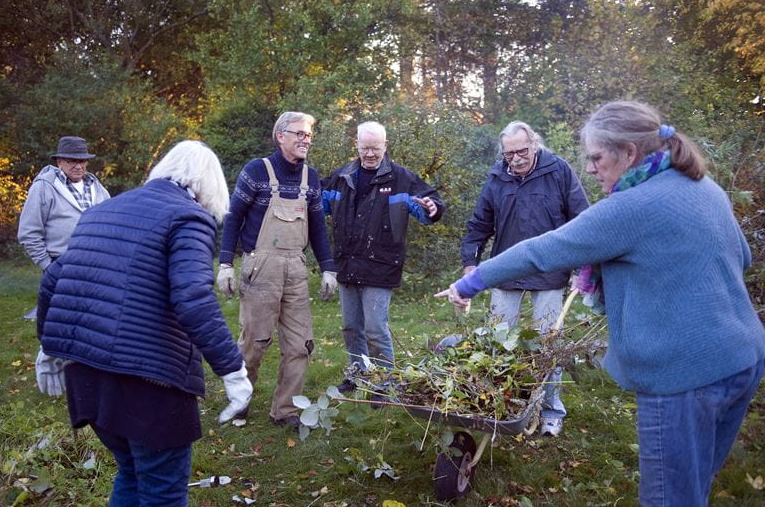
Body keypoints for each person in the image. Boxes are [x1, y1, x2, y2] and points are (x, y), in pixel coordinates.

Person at [437, 101, 765, 506]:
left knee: (671, 499)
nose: (590, 169)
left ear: (628, 152)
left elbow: (541, 252)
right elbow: (743, 256)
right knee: (693, 487)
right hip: (742, 359)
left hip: (684, 377)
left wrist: (472, 282)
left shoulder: (630, 207)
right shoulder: (703, 186)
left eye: (596, 157)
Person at [35, 140, 253, 506]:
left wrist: (49, 346)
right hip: (147, 386)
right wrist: (233, 371)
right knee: (163, 490)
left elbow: (54, 280)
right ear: (207, 184)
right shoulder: (189, 216)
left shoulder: (105, 210)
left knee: (134, 474)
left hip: (88, 377)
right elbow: (194, 299)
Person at [460, 121, 589, 436]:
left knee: (548, 345)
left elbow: (582, 219)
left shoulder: (558, 171)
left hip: (551, 271)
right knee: (497, 343)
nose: (515, 159)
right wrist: (470, 264)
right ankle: (498, 402)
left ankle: (551, 411)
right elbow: (480, 223)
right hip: (506, 271)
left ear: (534, 143)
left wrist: (582, 268)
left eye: (521, 151)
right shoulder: (497, 177)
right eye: (509, 154)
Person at [215, 111, 337, 429]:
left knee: (300, 345)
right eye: (298, 133)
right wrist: (226, 263)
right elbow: (233, 218)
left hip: (296, 266)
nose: (304, 139)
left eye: (308, 135)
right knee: (255, 342)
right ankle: (240, 401)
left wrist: (328, 269)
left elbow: (318, 229)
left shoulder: (312, 178)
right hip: (261, 265)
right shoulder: (256, 171)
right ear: (280, 136)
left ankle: (285, 411)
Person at [322, 121, 445, 392]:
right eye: (365, 148)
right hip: (346, 264)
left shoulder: (402, 179)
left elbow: (429, 208)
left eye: (375, 148)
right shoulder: (341, 177)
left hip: (381, 267)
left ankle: (384, 383)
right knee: (350, 327)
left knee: (376, 329)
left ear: (385, 146)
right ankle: (358, 373)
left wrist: (432, 208)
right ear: (356, 145)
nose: (369, 154)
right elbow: (318, 206)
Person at [18, 136, 110, 318]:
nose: (78, 166)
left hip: (96, 268)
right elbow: (28, 233)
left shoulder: (98, 188)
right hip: (60, 265)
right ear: (59, 162)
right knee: (60, 323)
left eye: (82, 161)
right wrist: (48, 266)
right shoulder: (44, 187)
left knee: (93, 321)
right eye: (72, 161)